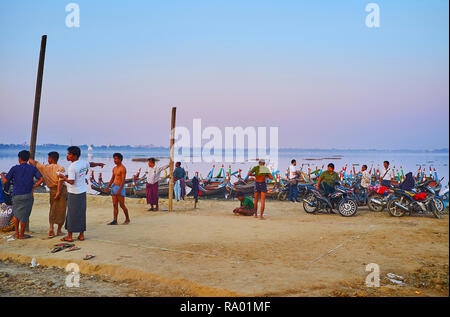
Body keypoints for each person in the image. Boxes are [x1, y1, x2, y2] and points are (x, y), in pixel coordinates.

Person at [57, 146, 104, 242]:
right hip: (82, 192)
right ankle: (81, 235)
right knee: (81, 213)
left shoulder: (72, 167)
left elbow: (71, 181)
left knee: (71, 214)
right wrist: (99, 164)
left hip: (74, 193)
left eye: (69, 154)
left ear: (74, 156)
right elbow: (90, 164)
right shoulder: (83, 162)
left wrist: (62, 176)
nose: (67, 156)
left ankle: (69, 236)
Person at [1, 150, 43, 239]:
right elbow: (41, 179)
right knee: (24, 215)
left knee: (16, 214)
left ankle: (16, 233)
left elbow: (5, 181)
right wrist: (33, 187)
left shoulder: (14, 168)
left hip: (16, 194)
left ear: (19, 158)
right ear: (28, 159)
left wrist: (2, 175)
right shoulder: (32, 168)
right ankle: (22, 234)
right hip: (28, 195)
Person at [29, 152, 67, 238]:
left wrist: (28, 158)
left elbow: (34, 163)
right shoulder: (60, 168)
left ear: (51, 159)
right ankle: (59, 230)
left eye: (48, 158)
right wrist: (58, 192)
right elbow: (60, 180)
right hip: (61, 190)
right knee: (61, 210)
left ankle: (51, 228)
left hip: (52, 190)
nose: (47, 160)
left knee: (53, 208)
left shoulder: (45, 167)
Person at [106, 153, 130, 225]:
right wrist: (108, 186)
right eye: (114, 159)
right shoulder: (114, 168)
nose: (115, 160)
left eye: (116, 159)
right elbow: (112, 178)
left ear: (120, 159)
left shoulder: (123, 168)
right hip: (114, 187)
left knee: (122, 205)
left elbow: (123, 180)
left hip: (120, 187)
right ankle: (115, 220)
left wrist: (119, 189)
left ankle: (127, 219)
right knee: (114, 204)